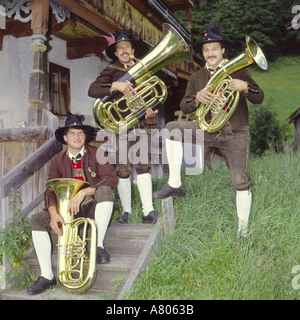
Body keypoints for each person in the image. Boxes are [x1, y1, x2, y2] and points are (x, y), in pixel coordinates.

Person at [153, 22, 264, 237]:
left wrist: (245, 87)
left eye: (215, 48)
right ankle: (175, 183)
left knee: (240, 181)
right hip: (206, 130)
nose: (210, 53)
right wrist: (197, 97)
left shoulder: (239, 70)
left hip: (235, 132)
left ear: (223, 50)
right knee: (171, 128)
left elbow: (259, 97)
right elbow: (184, 106)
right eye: (206, 49)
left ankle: (244, 232)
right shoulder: (196, 77)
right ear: (202, 53)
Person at [26, 113, 118, 295]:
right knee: (37, 218)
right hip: (67, 211)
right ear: (65, 138)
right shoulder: (58, 160)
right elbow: (50, 190)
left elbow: (110, 179)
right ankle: (46, 275)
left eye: (81, 133)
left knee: (106, 191)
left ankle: (98, 246)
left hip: (93, 207)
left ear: (86, 136)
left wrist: (84, 192)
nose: (78, 137)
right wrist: (53, 213)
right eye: (73, 133)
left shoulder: (98, 153)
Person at [88, 30, 159, 225]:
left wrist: (151, 110)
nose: (124, 50)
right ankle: (126, 212)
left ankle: (148, 211)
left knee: (144, 167)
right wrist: (115, 86)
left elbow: (154, 94)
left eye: (127, 46)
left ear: (133, 49)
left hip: (141, 124)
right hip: (120, 127)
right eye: (120, 48)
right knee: (123, 169)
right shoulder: (112, 70)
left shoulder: (143, 69)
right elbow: (92, 90)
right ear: (116, 53)